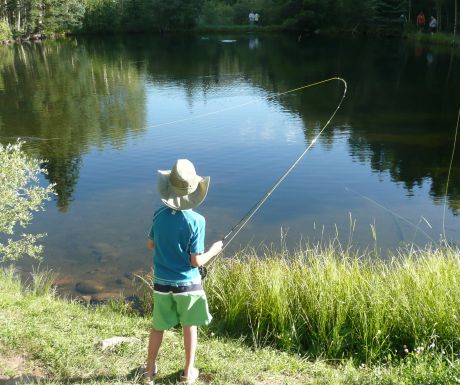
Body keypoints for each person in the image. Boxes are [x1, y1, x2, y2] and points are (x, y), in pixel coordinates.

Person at [142, 159, 223, 385]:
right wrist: (214, 251)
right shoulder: (197, 221)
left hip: (161, 284)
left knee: (158, 326)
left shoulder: (159, 214)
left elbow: (151, 245)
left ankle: (149, 372)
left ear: (168, 188)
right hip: (188, 285)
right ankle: (188, 373)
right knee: (190, 326)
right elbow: (196, 261)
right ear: (194, 191)